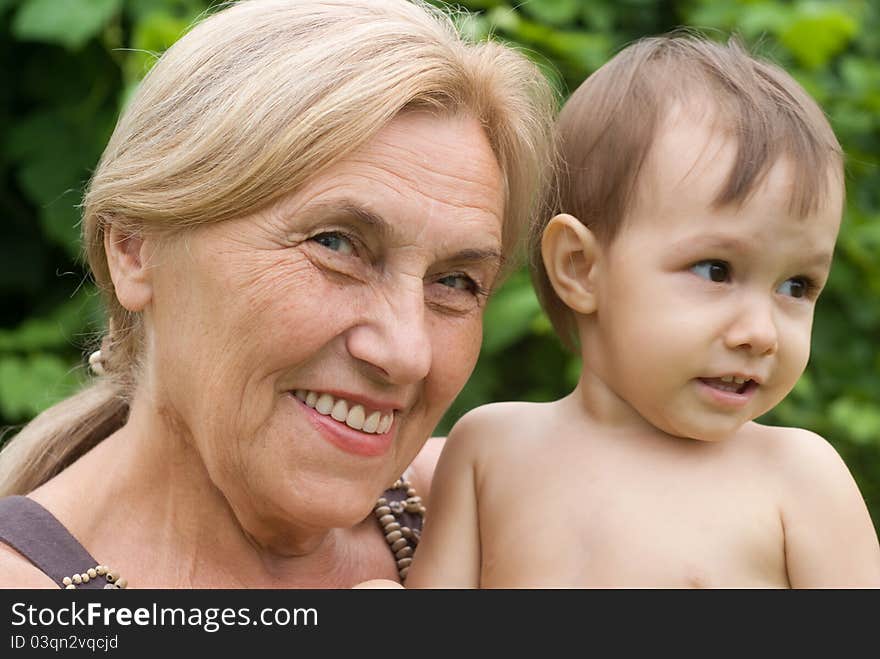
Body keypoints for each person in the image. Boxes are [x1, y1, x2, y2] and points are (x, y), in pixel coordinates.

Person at [0, 0, 555, 588]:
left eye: (454, 282)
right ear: (136, 249)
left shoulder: (485, 513)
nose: (406, 352)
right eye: (337, 244)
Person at [406, 34, 880, 588]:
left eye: (797, 286)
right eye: (716, 270)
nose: (761, 333)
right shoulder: (490, 451)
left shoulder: (798, 478)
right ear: (580, 267)